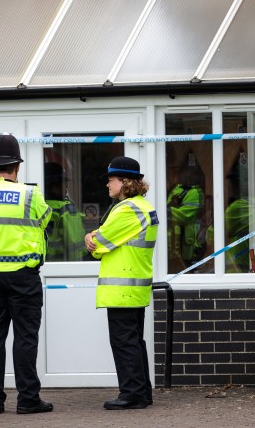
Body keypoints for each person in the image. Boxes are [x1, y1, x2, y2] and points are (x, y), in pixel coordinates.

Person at [0, 134, 53, 415]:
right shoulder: (31, 194)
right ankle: (27, 399)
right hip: (24, 276)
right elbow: (45, 219)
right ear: (17, 166)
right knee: (25, 338)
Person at [84, 156, 158, 410]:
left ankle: (132, 394)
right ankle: (141, 392)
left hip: (122, 289)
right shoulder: (142, 206)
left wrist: (90, 236)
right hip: (133, 287)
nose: (107, 185)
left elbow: (100, 243)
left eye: (111, 179)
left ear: (125, 182)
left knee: (125, 342)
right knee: (134, 341)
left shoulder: (127, 209)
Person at [43, 161, 87, 261]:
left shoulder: (38, 206)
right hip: (61, 264)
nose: (66, 188)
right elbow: (75, 246)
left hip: (42, 263)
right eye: (64, 184)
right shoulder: (66, 210)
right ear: (55, 187)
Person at [167, 164, 207, 271]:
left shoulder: (195, 192)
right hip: (173, 242)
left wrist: (167, 211)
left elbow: (184, 216)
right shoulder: (177, 189)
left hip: (187, 244)